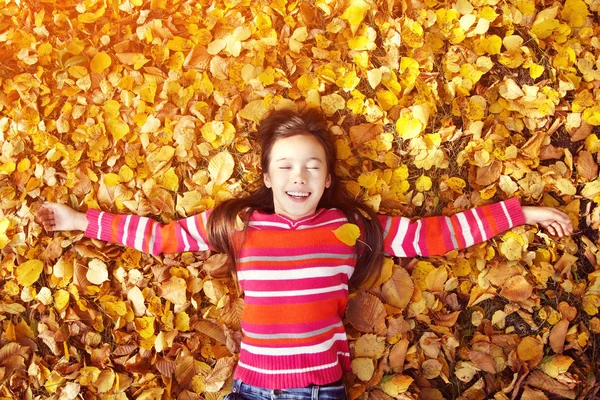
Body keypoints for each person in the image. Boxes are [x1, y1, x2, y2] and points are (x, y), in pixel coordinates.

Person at [37, 108, 573, 399]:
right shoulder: (239, 225)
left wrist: (518, 214)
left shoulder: (351, 229)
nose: (300, 176)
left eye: (312, 166)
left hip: (317, 392)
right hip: (248, 387)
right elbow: (160, 238)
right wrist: (82, 221)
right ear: (268, 177)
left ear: (328, 179)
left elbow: (435, 235)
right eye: (287, 166)